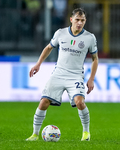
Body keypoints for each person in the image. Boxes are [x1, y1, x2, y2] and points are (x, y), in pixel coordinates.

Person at [26, 8, 98, 141]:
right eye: (77, 20)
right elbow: (48, 48)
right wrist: (38, 64)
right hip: (58, 74)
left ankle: (86, 133)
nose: (80, 23)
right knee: (43, 103)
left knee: (80, 102)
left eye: (82, 20)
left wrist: (91, 79)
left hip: (75, 76)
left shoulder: (89, 38)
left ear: (85, 21)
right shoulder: (60, 33)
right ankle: (35, 134)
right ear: (71, 20)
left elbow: (95, 59)